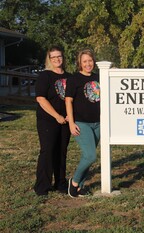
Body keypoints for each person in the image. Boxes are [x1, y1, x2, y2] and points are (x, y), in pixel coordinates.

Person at [34, 46, 71, 196]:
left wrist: (70, 115)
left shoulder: (70, 76)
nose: (57, 59)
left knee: (61, 152)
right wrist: (56, 116)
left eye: (59, 56)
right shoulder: (45, 76)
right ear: (49, 59)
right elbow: (41, 99)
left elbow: (73, 98)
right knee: (48, 151)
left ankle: (61, 183)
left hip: (66, 120)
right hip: (48, 120)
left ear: (63, 58)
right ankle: (42, 186)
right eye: (53, 57)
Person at [65, 49, 100, 198]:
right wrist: (71, 123)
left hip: (98, 123)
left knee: (89, 155)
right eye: (84, 61)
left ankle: (79, 187)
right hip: (81, 122)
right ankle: (74, 182)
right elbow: (68, 100)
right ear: (80, 63)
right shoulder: (74, 79)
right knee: (90, 156)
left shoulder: (99, 77)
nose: (88, 64)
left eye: (90, 61)